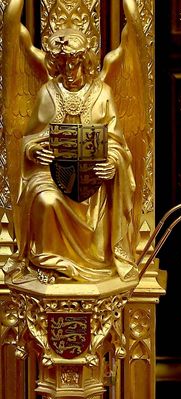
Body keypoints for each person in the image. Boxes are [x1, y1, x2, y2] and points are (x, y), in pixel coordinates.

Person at [4, 27, 137, 284]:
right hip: (52, 175)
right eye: (63, 64)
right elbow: (30, 137)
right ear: (55, 65)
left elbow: (117, 141)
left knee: (97, 199)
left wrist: (111, 162)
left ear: (84, 62)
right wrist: (34, 150)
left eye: (74, 64)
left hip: (93, 182)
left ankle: (98, 260)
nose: (69, 72)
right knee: (44, 199)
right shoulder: (48, 93)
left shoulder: (103, 93)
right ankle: (49, 263)